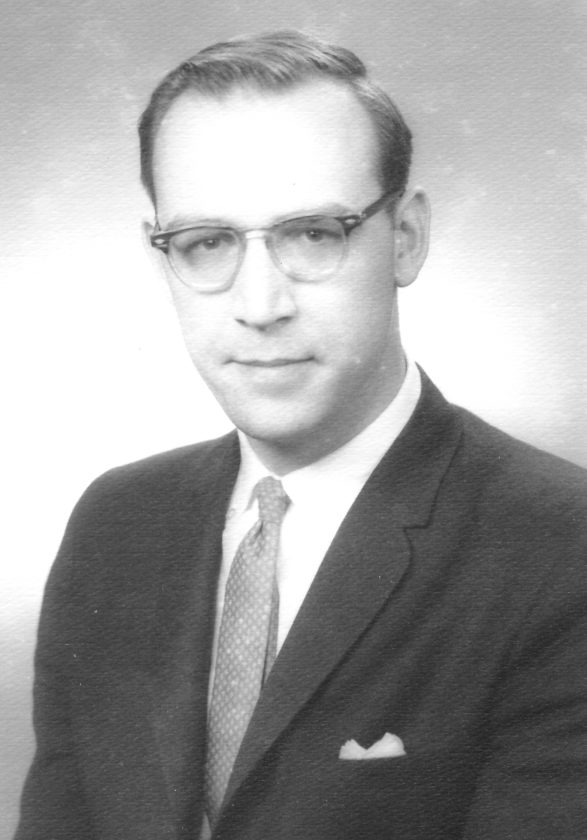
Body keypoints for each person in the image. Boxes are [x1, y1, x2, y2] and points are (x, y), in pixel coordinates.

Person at [15, 30, 587, 840]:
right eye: (206, 242)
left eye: (314, 233)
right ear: (160, 257)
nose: (259, 304)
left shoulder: (560, 548)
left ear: (405, 238)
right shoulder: (116, 524)